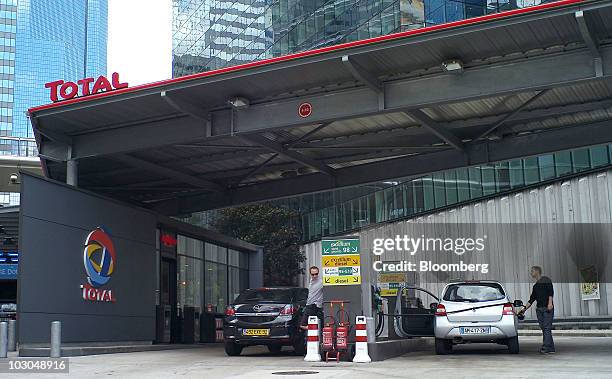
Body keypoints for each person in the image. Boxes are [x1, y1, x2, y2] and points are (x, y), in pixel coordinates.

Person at [519, 265, 555, 354]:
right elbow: (531, 299)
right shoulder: (535, 286)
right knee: (544, 328)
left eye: (532, 271)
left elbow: (551, 292)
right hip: (539, 309)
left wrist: (550, 303)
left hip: (547, 308)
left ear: (537, 271)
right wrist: (524, 309)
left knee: (546, 328)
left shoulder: (546, 280)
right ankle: (551, 348)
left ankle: (546, 347)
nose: (531, 273)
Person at [300, 266, 324, 330]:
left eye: (316, 274)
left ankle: (314, 330)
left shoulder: (321, 282)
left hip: (315, 305)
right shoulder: (310, 281)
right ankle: (314, 330)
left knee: (303, 325)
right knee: (304, 325)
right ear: (310, 274)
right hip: (310, 305)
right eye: (313, 274)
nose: (314, 276)